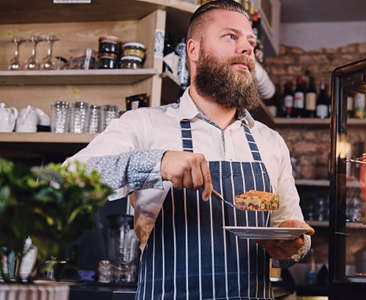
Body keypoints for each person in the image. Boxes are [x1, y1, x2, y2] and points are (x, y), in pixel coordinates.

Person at [67, 1, 313, 299]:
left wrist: (294, 246)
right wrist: (156, 162)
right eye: (231, 36)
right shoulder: (145, 124)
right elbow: (69, 179)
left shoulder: (270, 142)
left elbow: (290, 229)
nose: (247, 49)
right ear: (193, 50)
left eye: (250, 41)